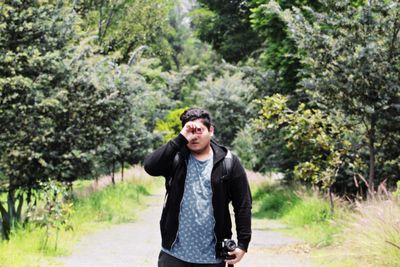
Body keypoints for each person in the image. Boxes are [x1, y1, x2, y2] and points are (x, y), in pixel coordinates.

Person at [144, 107, 252, 267]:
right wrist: (180, 138)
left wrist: (243, 244)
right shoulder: (176, 156)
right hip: (173, 254)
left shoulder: (228, 162)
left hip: (212, 257)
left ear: (211, 131)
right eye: (190, 130)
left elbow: (242, 204)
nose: (194, 136)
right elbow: (150, 166)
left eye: (199, 130)